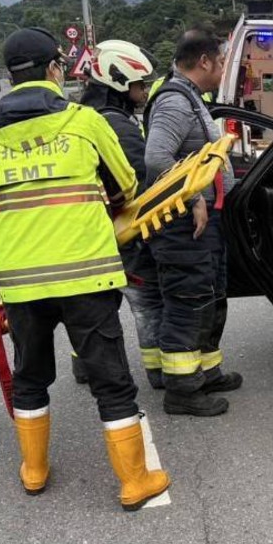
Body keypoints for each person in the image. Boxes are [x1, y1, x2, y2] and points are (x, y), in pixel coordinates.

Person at [0, 27, 169, 511]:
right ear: (55, 69)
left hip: (20, 283)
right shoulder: (83, 122)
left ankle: (34, 470)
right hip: (86, 275)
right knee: (110, 380)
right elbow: (125, 185)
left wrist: (9, 274)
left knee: (30, 377)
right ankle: (134, 481)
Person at [143, 28, 241, 417]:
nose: (222, 70)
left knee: (210, 298)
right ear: (204, 62)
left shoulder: (191, 98)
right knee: (188, 303)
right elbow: (156, 159)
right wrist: (194, 197)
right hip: (184, 227)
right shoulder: (174, 102)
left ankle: (206, 372)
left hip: (204, 227)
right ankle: (182, 391)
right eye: (220, 62)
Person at [76, 40, 165, 391]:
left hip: (89, 231)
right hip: (123, 231)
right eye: (139, 85)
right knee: (147, 299)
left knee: (93, 304)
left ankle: (84, 366)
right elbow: (139, 182)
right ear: (120, 83)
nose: (143, 92)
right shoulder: (120, 126)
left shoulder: (85, 118)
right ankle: (159, 370)